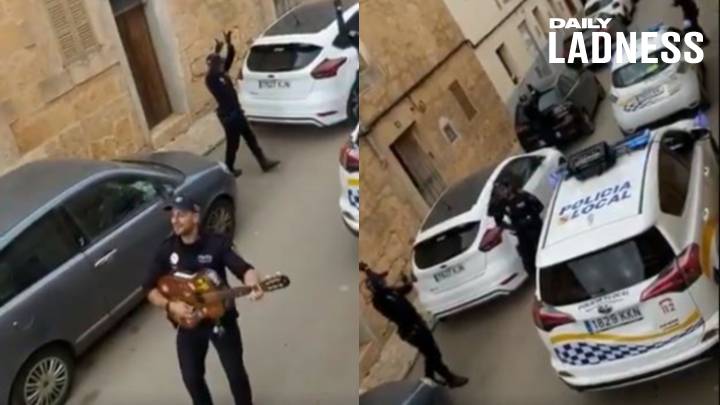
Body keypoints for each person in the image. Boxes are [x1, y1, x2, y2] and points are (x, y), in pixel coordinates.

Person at [144, 194, 264, 405]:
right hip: (189, 323)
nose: (175, 220)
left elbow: (243, 268)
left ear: (196, 217)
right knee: (191, 378)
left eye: (181, 215)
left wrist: (253, 282)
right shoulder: (167, 249)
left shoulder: (217, 244)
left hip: (221, 320)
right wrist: (171, 306)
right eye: (173, 215)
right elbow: (148, 288)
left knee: (235, 374)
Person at [359, 262, 469, 388]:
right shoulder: (381, 301)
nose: (384, 281)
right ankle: (449, 379)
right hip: (412, 330)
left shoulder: (388, 292)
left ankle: (430, 377)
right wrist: (416, 325)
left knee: (430, 353)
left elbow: (404, 289)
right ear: (377, 286)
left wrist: (366, 268)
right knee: (433, 353)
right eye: (381, 281)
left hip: (416, 325)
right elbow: (402, 311)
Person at [205, 31, 279, 177]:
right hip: (229, 117)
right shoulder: (211, 79)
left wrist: (228, 44)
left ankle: (263, 162)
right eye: (218, 63)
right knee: (233, 145)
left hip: (237, 112)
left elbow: (229, 59)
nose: (221, 64)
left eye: (220, 63)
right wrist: (217, 51)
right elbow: (215, 66)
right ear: (212, 66)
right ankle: (229, 169)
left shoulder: (221, 72)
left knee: (250, 138)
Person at [490, 181, 544, 276]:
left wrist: (531, 218)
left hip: (535, 229)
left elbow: (539, 206)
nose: (501, 193)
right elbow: (498, 221)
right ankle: (536, 279)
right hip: (522, 234)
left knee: (542, 252)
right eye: (498, 192)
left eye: (502, 189)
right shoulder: (502, 204)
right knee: (528, 260)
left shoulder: (522, 195)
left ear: (509, 187)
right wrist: (511, 227)